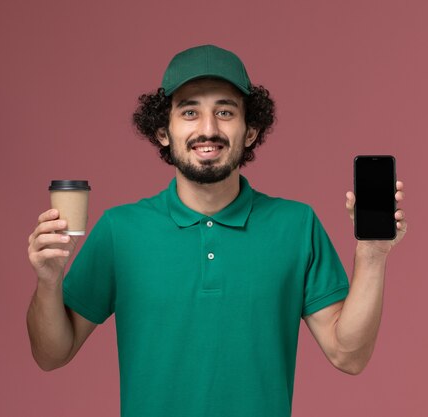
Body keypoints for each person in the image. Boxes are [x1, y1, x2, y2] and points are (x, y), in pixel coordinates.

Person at [27, 44, 407, 417]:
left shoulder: (296, 225)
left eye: (225, 112)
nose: (208, 129)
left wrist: (372, 255)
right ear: (163, 131)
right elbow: (51, 354)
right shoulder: (119, 230)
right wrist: (48, 281)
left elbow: (349, 355)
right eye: (189, 112)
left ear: (251, 131)